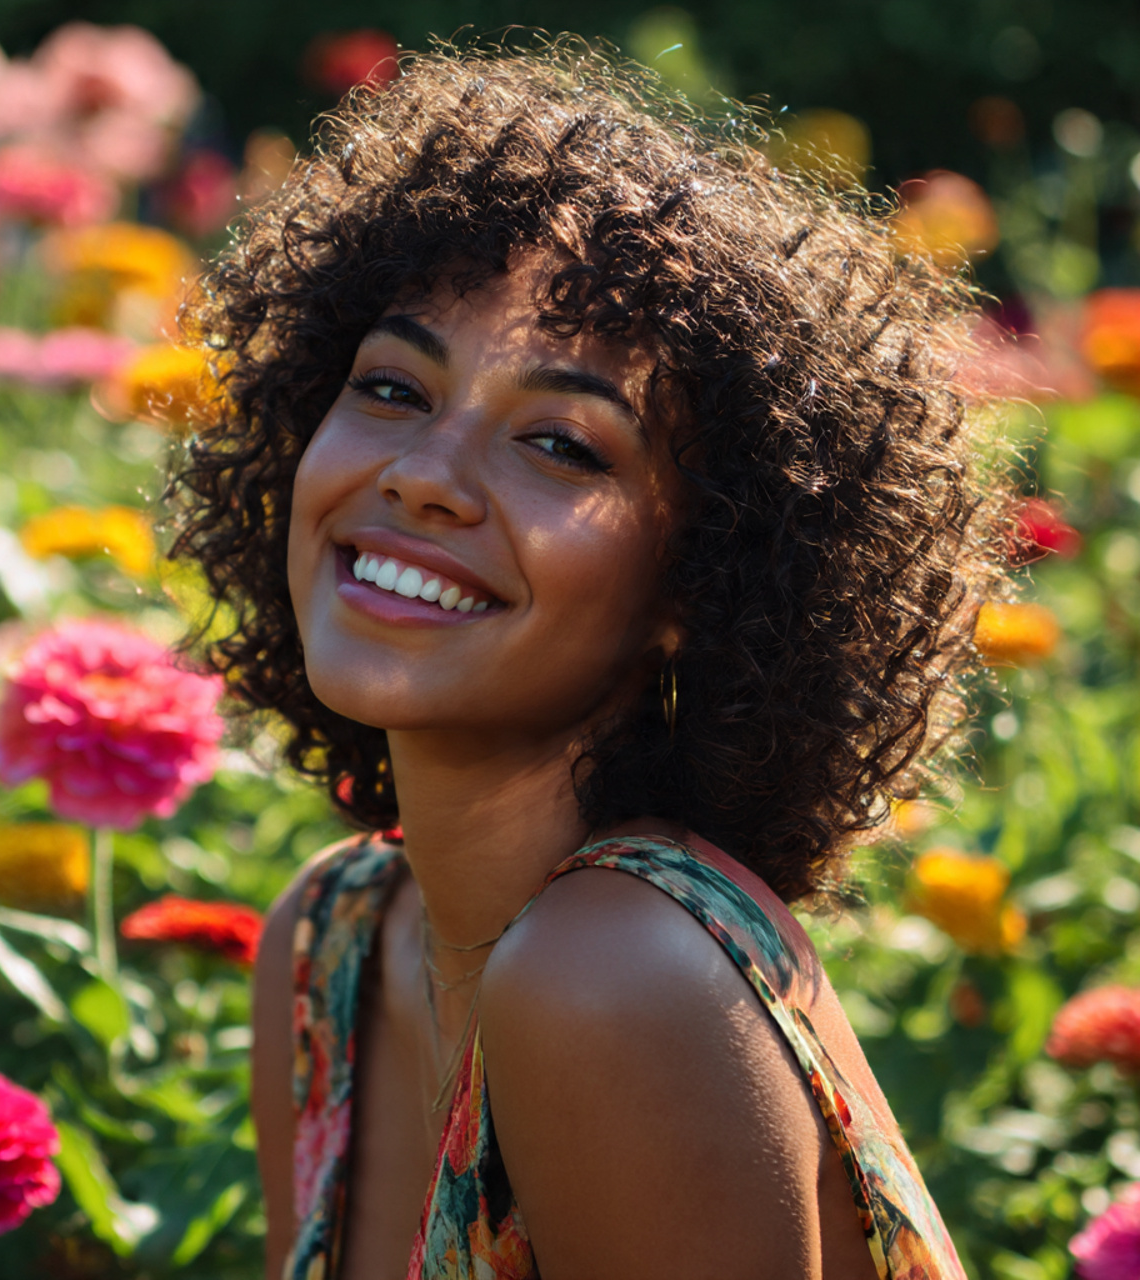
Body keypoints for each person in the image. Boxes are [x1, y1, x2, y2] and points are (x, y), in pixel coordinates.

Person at [170, 41, 1003, 1280]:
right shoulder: (330, 944)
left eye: (561, 445)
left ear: (699, 581)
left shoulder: (619, 971)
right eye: (393, 386)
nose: (421, 475)